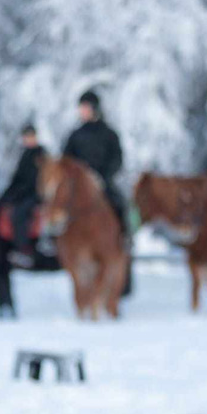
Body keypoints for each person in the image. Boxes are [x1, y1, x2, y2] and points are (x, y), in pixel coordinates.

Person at [63, 90, 131, 292]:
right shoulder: (75, 135)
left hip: (103, 181)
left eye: (85, 107)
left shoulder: (109, 134)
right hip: (79, 186)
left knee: (120, 203)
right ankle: (56, 238)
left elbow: (117, 158)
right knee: (60, 205)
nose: (82, 111)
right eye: (80, 108)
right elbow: (66, 160)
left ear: (95, 109)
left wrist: (103, 176)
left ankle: (124, 237)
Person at [1, 124, 46, 266]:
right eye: (25, 137)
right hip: (22, 194)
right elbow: (17, 178)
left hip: (36, 194)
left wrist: (21, 192)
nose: (27, 139)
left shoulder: (41, 154)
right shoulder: (25, 154)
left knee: (19, 213)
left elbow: (38, 178)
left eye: (30, 136)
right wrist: (6, 196)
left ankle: (24, 250)